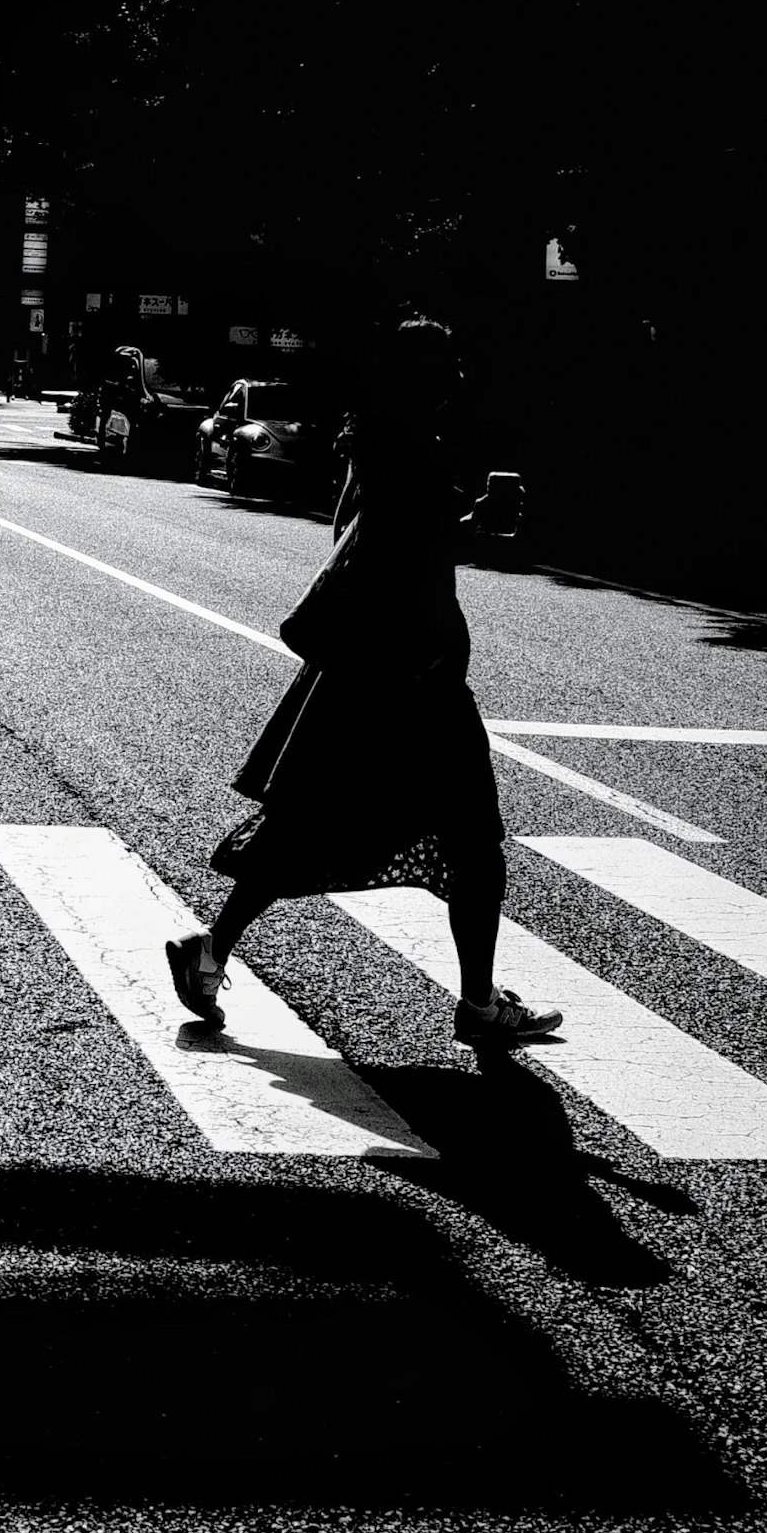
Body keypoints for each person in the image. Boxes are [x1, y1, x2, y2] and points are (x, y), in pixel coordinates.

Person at [166, 311, 564, 1050]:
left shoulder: (374, 444)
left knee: (303, 825)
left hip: (361, 678)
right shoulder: (412, 450)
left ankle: (209, 952)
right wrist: (481, 521)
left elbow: (393, 544)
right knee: (474, 842)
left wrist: (465, 522)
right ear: (420, 378)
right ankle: (479, 1007)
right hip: (418, 680)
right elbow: (408, 553)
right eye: (444, 366)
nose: (457, 378)